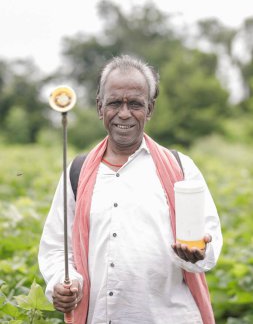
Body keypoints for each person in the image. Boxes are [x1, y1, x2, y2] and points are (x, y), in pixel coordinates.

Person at [38, 54, 222, 324]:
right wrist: (62, 283)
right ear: (100, 107)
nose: (124, 113)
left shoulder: (180, 168)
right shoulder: (76, 173)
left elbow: (210, 239)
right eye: (114, 103)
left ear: (150, 109)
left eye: (135, 103)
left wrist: (198, 253)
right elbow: (57, 248)